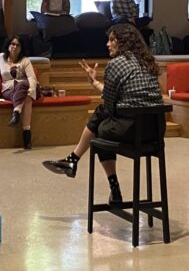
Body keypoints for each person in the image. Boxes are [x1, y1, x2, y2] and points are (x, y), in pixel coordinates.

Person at [42, 24, 163, 205]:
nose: (107, 44)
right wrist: (95, 82)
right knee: (103, 119)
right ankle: (74, 161)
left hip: (132, 131)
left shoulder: (116, 64)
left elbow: (109, 105)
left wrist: (96, 85)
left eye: (112, 40)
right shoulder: (148, 62)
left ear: (123, 42)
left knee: (100, 126)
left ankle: (79, 163)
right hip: (155, 131)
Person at [0, 37, 38, 150]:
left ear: (21, 48)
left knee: (25, 89)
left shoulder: (25, 61)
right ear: (8, 45)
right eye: (12, 44)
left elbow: (31, 78)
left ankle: (16, 113)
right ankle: (27, 136)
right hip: (9, 90)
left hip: (25, 87)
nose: (14, 47)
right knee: (26, 97)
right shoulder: (1, 58)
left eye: (17, 45)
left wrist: (31, 90)